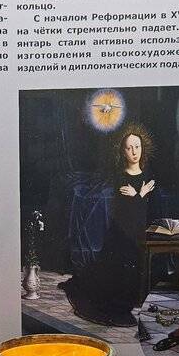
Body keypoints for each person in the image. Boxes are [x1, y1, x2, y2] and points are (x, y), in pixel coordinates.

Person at [59, 125, 156, 327]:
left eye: (137, 147)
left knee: (134, 266)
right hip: (121, 231)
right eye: (129, 148)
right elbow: (126, 210)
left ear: (143, 148)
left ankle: (130, 300)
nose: (134, 152)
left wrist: (138, 196)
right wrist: (141, 194)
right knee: (118, 267)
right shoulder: (121, 177)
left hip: (139, 231)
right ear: (123, 151)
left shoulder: (147, 176)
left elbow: (145, 210)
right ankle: (118, 305)